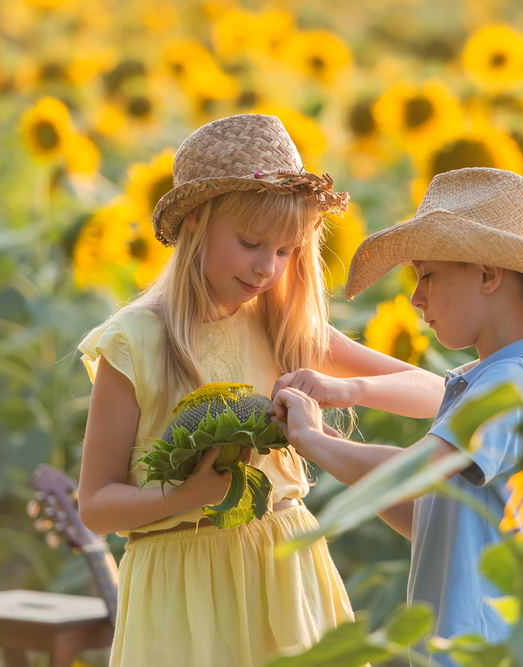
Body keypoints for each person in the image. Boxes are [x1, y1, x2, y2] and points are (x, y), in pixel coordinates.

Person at [76, 113, 445, 667]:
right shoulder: (135, 342)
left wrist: (345, 389)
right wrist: (186, 498)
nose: (267, 268)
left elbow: (438, 393)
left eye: (287, 251)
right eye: (251, 243)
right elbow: (96, 504)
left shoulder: (281, 326)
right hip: (180, 593)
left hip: (282, 566)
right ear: (196, 224)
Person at [272, 167, 523, 659]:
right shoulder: (509, 374)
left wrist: (315, 442)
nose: (415, 299)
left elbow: (417, 472)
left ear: (488, 274)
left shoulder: (514, 382)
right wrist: (333, 444)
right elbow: (432, 518)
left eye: (428, 276)